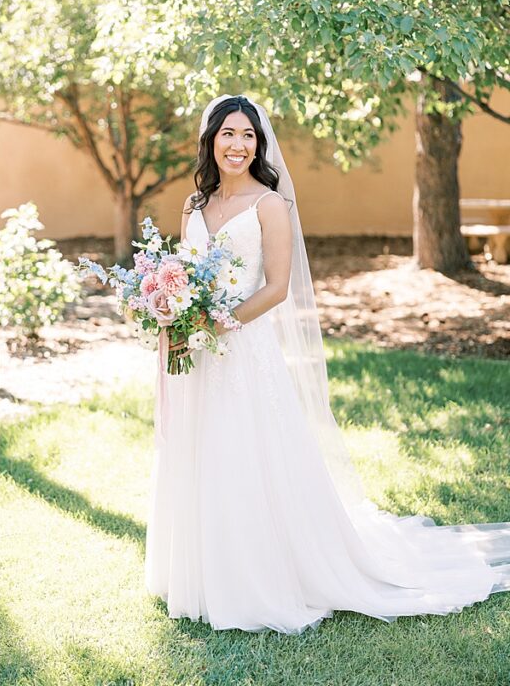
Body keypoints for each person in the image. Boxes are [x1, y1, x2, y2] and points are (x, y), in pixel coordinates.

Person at [145, 94, 510, 633]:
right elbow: (183, 274)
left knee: (246, 455)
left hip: (244, 350)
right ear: (211, 140)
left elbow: (275, 289)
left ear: (259, 143)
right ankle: (200, 571)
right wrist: (172, 320)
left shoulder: (270, 205)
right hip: (198, 353)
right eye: (228, 134)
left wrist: (219, 322)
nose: (238, 145)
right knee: (202, 449)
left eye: (248, 136)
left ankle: (258, 576)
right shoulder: (193, 206)